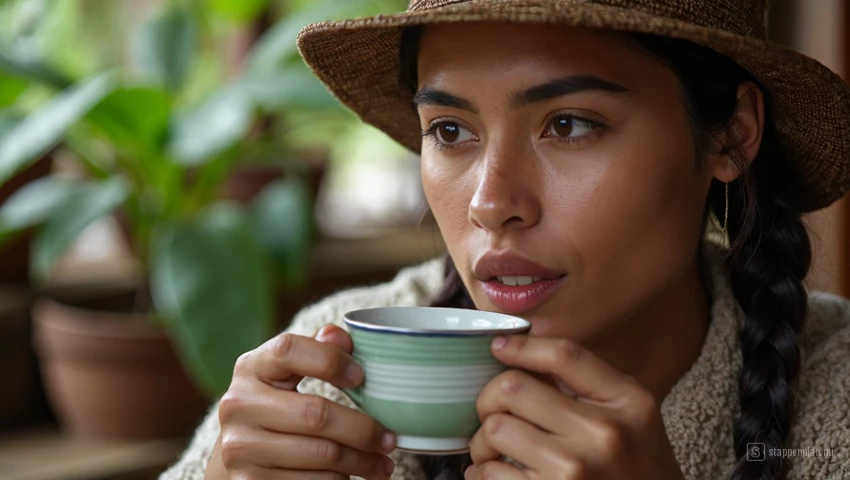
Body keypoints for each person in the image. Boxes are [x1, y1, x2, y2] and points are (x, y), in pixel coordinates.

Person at [162, 1, 850, 479]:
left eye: (571, 125)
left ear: (731, 134)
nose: (492, 204)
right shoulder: (333, 372)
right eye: (451, 132)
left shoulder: (834, 401)